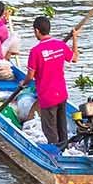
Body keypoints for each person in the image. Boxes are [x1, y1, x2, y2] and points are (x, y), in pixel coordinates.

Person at [24, 15, 79, 146]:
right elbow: (75, 58)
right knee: (61, 126)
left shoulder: (35, 51)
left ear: (37, 31)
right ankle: (64, 147)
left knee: (49, 128)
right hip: (61, 93)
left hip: (47, 96)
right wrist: (75, 38)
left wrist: (23, 83)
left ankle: (55, 151)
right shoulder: (60, 45)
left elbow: (30, 75)